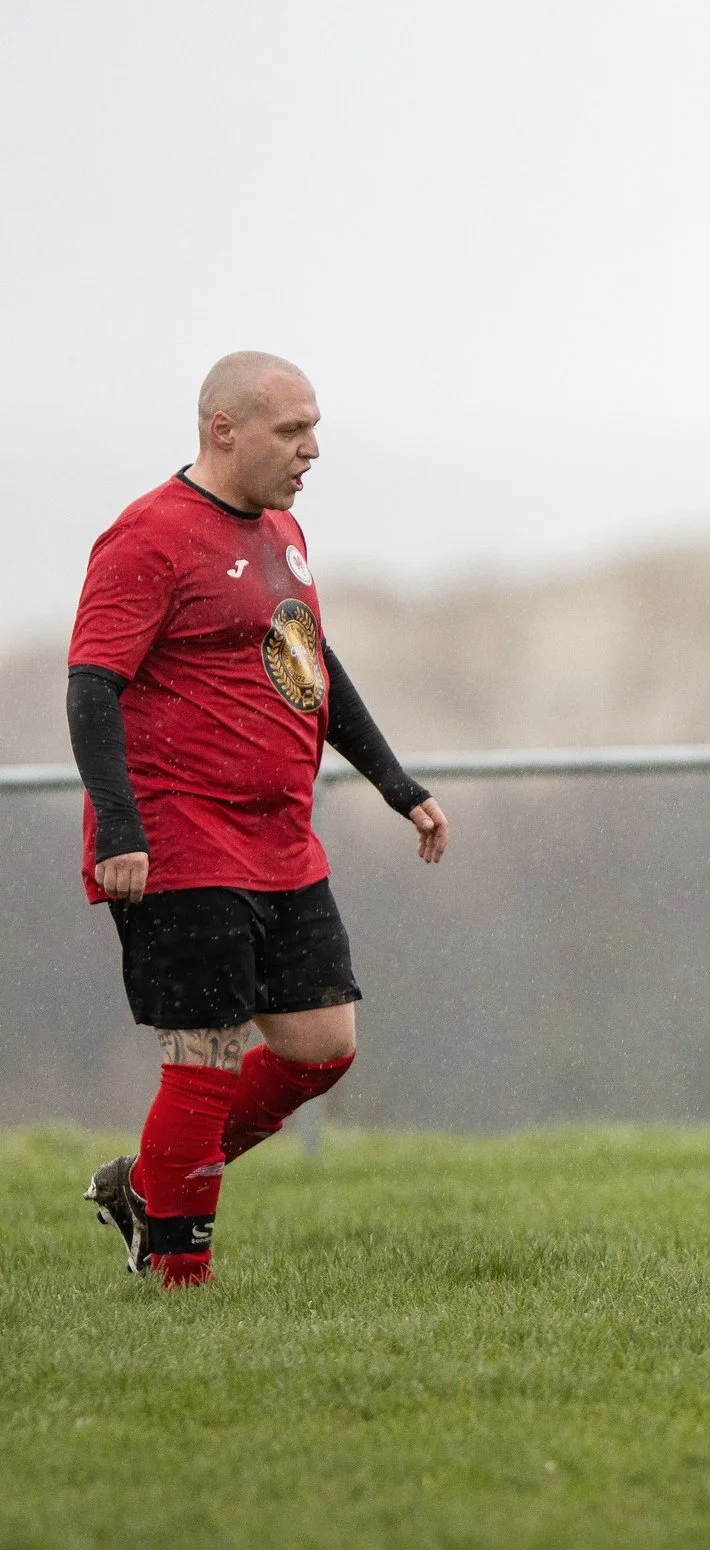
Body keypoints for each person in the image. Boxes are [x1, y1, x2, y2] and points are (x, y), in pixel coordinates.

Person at [68, 352, 448, 1289]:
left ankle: (146, 1185)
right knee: (203, 1059)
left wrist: (397, 783)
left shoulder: (282, 529)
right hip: (179, 841)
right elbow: (91, 686)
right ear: (222, 429)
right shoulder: (147, 538)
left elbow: (312, 662)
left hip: (281, 841)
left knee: (322, 1051)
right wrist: (120, 828)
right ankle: (178, 1285)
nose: (312, 450)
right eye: (293, 430)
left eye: (316, 428)